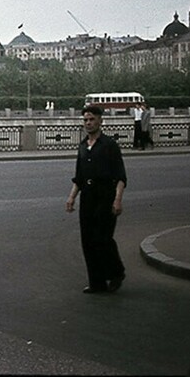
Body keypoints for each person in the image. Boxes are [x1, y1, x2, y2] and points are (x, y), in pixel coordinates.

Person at [66, 105, 127, 294]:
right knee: (88, 241)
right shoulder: (83, 146)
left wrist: (117, 200)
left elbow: (120, 176)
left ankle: (117, 273)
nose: (88, 123)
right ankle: (96, 282)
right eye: (85, 120)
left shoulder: (109, 145)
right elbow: (79, 177)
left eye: (92, 119)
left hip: (105, 196)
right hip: (88, 198)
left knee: (103, 238)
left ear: (101, 121)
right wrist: (71, 198)